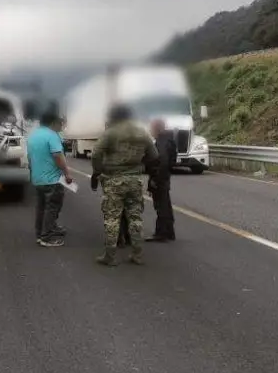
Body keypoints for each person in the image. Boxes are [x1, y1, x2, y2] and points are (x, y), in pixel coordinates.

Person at [90, 104, 159, 266]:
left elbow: (96, 154)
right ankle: (137, 254)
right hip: (135, 180)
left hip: (114, 180)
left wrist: (97, 171)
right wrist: (139, 164)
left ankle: (110, 256)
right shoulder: (142, 132)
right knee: (135, 217)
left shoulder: (111, 132)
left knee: (112, 218)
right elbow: (154, 155)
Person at [27, 112, 74, 247]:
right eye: (60, 123)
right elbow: (58, 156)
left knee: (42, 207)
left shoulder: (33, 135)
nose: (62, 125)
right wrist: (67, 174)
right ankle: (46, 236)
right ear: (53, 122)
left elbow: (30, 159)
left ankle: (43, 231)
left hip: (38, 179)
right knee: (52, 207)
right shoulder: (52, 135)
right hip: (52, 180)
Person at [146, 119, 178, 242]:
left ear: (157, 129)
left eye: (151, 128)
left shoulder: (161, 142)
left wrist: (155, 179)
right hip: (165, 177)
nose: (150, 130)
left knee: (161, 205)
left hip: (160, 178)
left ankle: (162, 233)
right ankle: (169, 232)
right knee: (165, 204)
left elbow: (162, 161)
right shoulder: (168, 140)